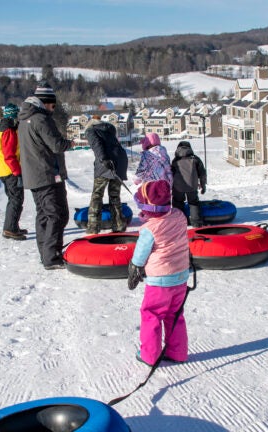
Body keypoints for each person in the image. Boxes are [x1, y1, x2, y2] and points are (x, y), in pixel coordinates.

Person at [127, 180, 191, 366]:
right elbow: (166, 224)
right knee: (175, 314)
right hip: (180, 277)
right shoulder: (179, 216)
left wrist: (135, 266)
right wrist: (151, 215)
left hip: (160, 281)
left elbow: (140, 254)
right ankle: (177, 352)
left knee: (151, 315)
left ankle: (149, 355)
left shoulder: (149, 229)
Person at [19, 82, 74, 269]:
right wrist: (70, 143)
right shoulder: (41, 119)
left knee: (44, 214)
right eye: (53, 104)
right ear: (47, 102)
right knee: (57, 215)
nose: (54, 108)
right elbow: (56, 144)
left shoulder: (25, 119)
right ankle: (52, 257)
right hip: (48, 175)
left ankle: (46, 253)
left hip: (34, 176)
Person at [85, 114, 129, 234]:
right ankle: (119, 225)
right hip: (120, 162)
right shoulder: (109, 130)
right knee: (114, 196)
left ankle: (93, 227)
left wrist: (104, 160)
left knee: (97, 195)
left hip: (106, 164)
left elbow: (97, 146)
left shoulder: (91, 130)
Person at [0, 103, 28, 240]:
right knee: (16, 199)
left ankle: (13, 225)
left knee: (13, 199)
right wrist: (17, 172)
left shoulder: (1, 130)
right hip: (10, 171)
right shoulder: (9, 131)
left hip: (4, 170)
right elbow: (9, 154)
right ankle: (10, 229)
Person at [171, 141, 207, 227]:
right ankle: (196, 223)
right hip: (192, 186)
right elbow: (202, 174)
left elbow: (171, 174)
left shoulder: (175, 160)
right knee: (193, 203)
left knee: (178, 202)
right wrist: (203, 185)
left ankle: (179, 223)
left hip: (178, 186)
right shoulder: (195, 159)